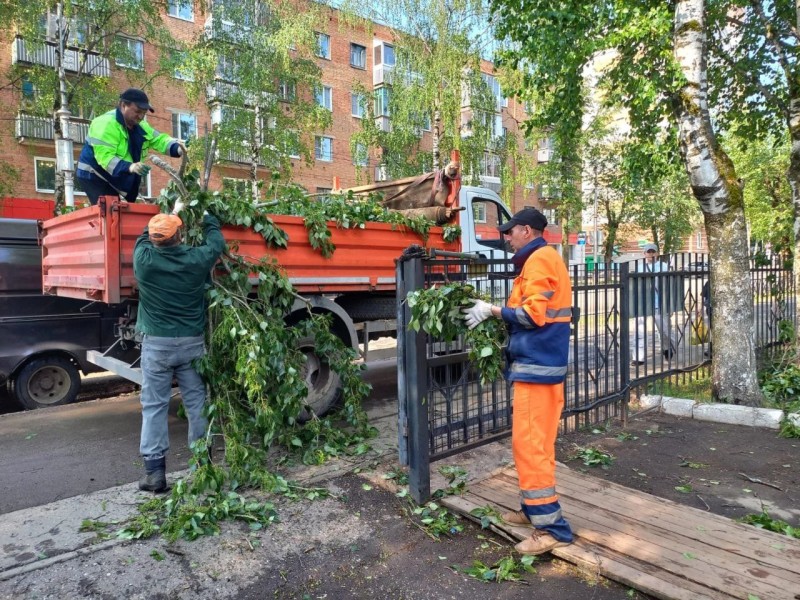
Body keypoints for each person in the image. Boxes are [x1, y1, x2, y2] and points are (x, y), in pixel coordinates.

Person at [462, 207, 574, 555]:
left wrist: (491, 311)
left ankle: (552, 528)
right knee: (539, 443)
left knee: (530, 447)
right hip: (544, 367)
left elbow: (531, 315)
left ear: (527, 230)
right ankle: (532, 510)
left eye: (510, 231)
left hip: (537, 369)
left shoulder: (539, 260)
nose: (506, 237)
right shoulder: (544, 259)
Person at [133, 208, 225, 492]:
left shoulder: (144, 260)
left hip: (156, 346)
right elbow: (216, 243)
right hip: (190, 345)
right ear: (180, 237)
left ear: (154, 240)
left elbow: (142, 238)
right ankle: (202, 466)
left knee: (154, 406)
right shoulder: (195, 260)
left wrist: (168, 214)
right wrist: (209, 218)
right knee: (197, 404)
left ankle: (155, 474)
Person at [77, 88, 185, 205]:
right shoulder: (105, 124)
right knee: (110, 209)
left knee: (120, 210)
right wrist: (130, 167)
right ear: (123, 105)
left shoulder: (140, 126)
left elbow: (159, 140)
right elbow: (106, 158)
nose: (141, 116)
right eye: (138, 111)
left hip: (116, 175)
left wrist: (178, 148)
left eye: (144, 113)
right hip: (94, 174)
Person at [630, 243, 677, 365]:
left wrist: (670, 304)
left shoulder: (663, 266)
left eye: (652, 251)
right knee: (639, 331)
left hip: (659, 303)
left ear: (657, 253)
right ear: (644, 254)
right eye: (648, 252)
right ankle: (638, 357)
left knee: (665, 330)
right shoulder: (640, 268)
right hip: (642, 304)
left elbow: (668, 285)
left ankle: (667, 348)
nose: (650, 254)